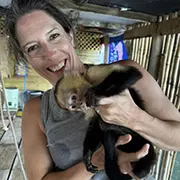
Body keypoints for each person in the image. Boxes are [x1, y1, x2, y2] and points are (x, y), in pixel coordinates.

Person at [4, 0, 180, 179]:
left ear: (70, 35)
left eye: (54, 36)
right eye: (33, 47)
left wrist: (135, 118)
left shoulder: (119, 73)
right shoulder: (36, 110)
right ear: (27, 59)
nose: (50, 54)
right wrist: (93, 164)